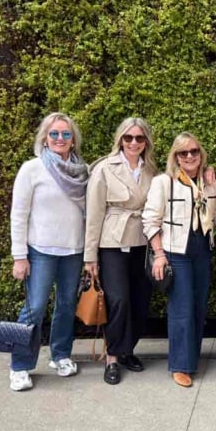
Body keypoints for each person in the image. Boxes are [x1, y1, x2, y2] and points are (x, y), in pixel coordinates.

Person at [8, 112, 89, 391]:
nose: (60, 139)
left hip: (73, 250)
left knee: (66, 306)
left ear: (73, 139)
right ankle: (20, 366)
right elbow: (19, 214)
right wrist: (20, 256)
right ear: (45, 137)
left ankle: (61, 355)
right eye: (54, 133)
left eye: (66, 134)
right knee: (34, 308)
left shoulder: (82, 171)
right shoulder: (32, 169)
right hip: (40, 251)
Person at [142, 133, 216, 388]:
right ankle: (179, 364)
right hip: (176, 251)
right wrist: (159, 255)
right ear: (175, 156)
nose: (189, 156)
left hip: (201, 249)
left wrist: (212, 188)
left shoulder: (206, 181)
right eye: (183, 153)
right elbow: (150, 220)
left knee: (198, 307)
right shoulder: (164, 182)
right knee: (181, 309)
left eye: (194, 151)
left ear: (201, 154)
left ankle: (192, 359)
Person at [84, 118, 157, 385]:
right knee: (119, 300)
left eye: (139, 138)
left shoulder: (151, 169)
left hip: (143, 241)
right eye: (129, 138)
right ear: (120, 140)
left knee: (140, 300)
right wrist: (90, 256)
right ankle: (112, 356)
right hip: (112, 241)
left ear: (146, 141)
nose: (134, 143)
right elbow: (94, 213)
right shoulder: (105, 168)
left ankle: (127, 350)